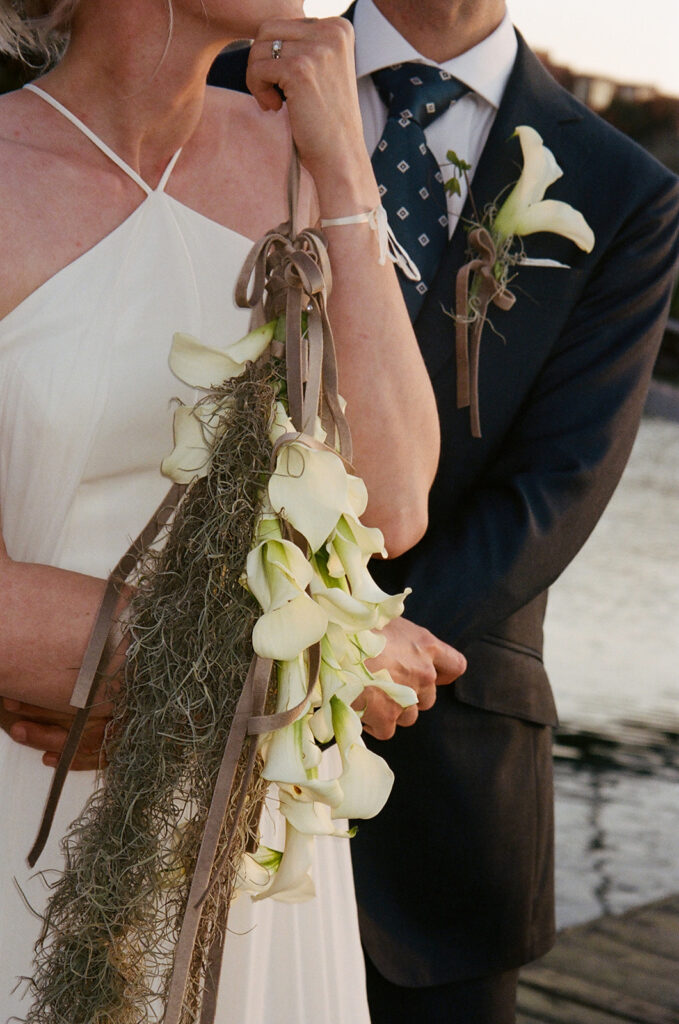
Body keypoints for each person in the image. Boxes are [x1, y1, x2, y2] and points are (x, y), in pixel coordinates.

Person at [203, 1, 679, 1021]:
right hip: (178, 730)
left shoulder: (625, 188)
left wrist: (340, 641)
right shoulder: (218, 81)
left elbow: (557, 487)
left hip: (445, 774)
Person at [0, 1, 466, 1020]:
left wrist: (344, 163)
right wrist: (320, 666)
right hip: (29, 787)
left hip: (249, 822)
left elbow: (390, 502)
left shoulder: (297, 162)